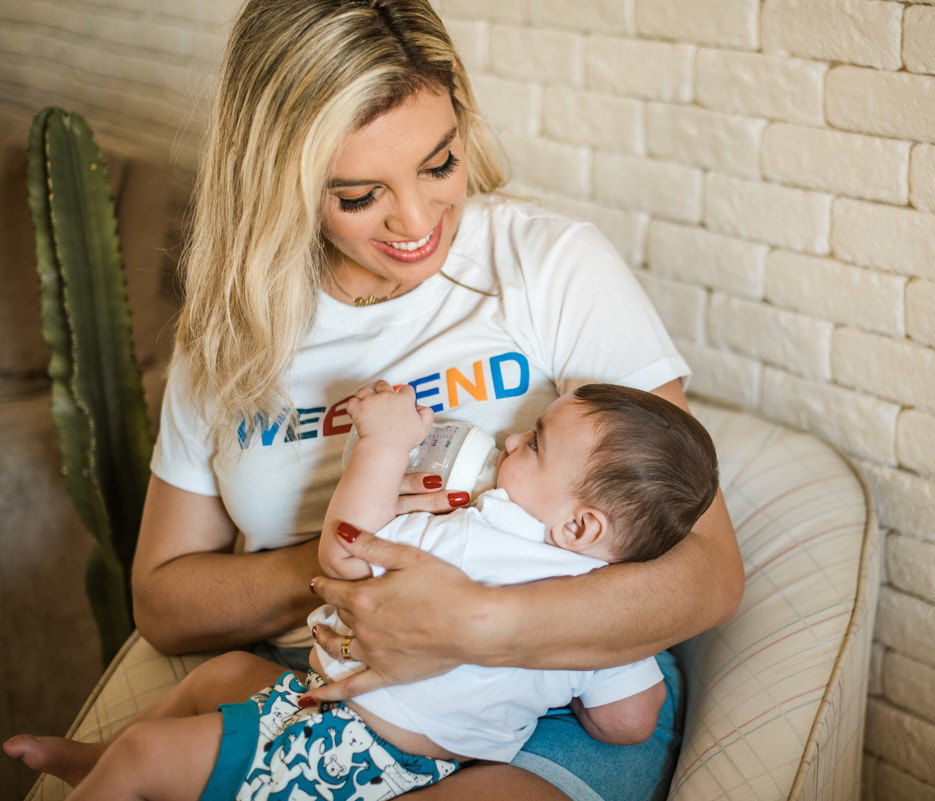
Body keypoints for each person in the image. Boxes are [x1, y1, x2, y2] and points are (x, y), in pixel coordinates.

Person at [14, 0, 743, 798]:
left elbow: (706, 571)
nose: (418, 220)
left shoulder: (548, 265)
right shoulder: (230, 333)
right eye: (359, 195)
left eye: (439, 165)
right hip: (334, 686)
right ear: (278, 180)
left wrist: (474, 618)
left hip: (546, 697)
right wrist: (361, 557)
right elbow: (162, 600)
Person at [4, 381, 721, 801]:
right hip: (390, 744)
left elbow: (347, 554)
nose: (507, 444)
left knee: (146, 760)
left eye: (532, 443)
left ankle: (105, 765)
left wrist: (380, 447)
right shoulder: (602, 611)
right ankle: (94, 758)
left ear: (581, 522)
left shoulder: (477, 526)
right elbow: (630, 721)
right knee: (222, 675)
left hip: (349, 751)